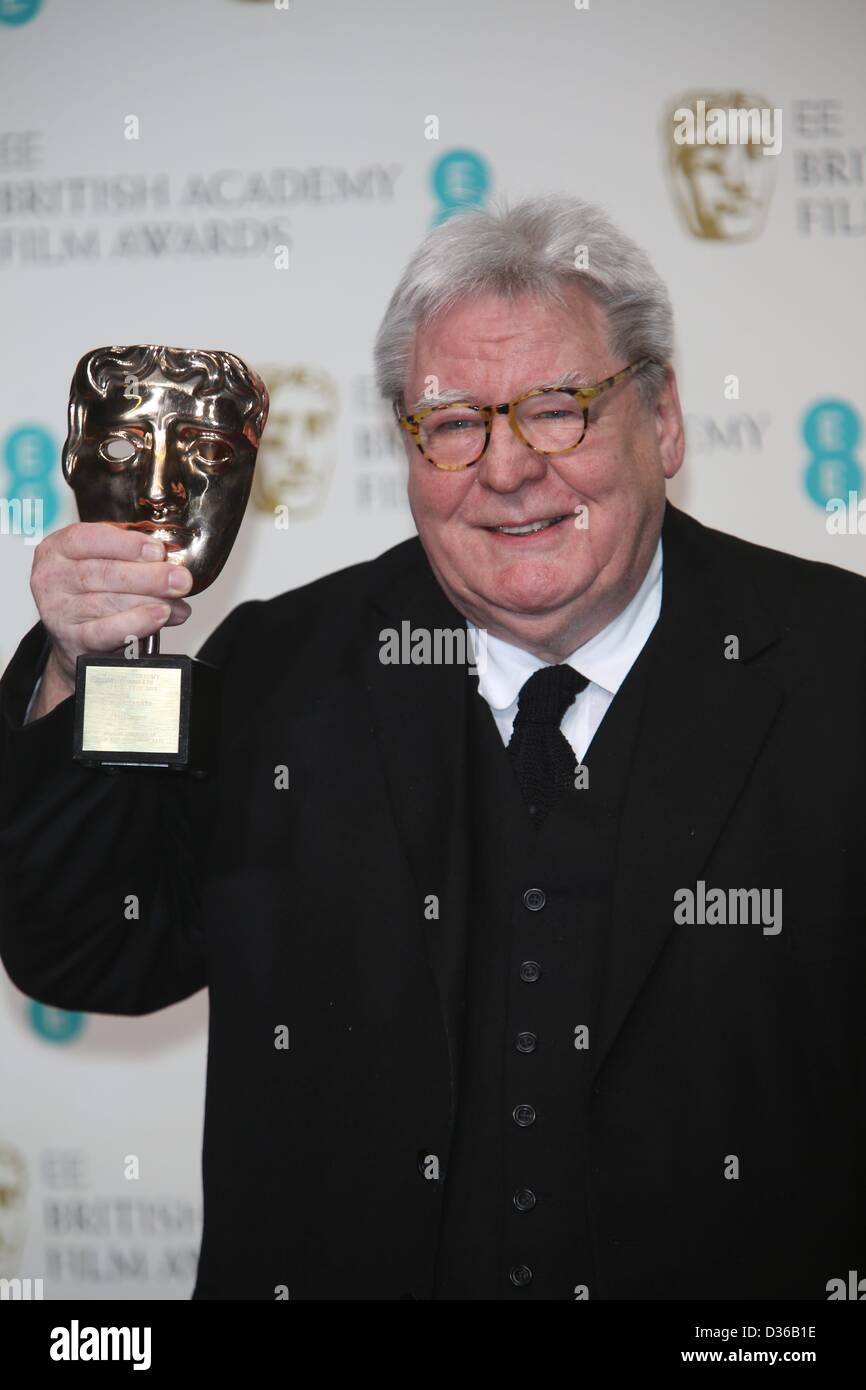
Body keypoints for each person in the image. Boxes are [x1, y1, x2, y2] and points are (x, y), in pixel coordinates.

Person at [1, 195, 863, 1301]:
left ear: (664, 418)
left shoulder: (839, 669)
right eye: (452, 424)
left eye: (557, 409)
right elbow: (89, 952)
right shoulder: (277, 672)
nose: (504, 470)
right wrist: (80, 669)